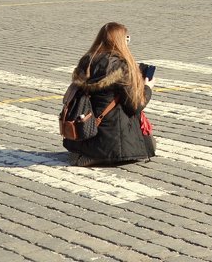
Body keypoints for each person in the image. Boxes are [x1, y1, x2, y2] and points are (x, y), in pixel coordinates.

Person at [64, 22, 156, 167]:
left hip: (83, 130)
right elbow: (135, 105)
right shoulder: (122, 66)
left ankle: (88, 151)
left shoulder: (86, 61)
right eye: (126, 38)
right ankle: (99, 156)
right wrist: (147, 87)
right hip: (112, 140)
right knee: (150, 144)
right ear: (120, 40)